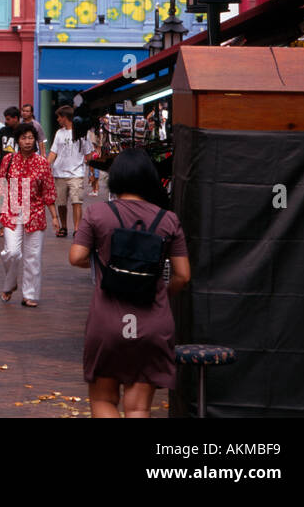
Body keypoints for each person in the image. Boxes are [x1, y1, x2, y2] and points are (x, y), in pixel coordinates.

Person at [69, 148, 190, 418]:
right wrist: (162, 293)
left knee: (104, 401)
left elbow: (76, 256)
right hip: (152, 322)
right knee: (138, 408)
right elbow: (183, 275)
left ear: (115, 179)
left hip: (107, 321)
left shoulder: (97, 214)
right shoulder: (168, 220)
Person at [0, 124, 57, 307]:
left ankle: (30, 295)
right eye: (23, 138)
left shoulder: (42, 163)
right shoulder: (9, 159)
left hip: (35, 213)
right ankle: (10, 284)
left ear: (35, 140)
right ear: (17, 140)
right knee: (12, 252)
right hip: (12, 211)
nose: (27, 142)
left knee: (33, 257)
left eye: (30, 138)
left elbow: (48, 191)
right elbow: (0, 185)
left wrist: (55, 217)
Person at [47, 105, 91, 238]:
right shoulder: (59, 133)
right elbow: (53, 152)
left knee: (76, 201)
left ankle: (77, 229)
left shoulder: (82, 133)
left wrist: (81, 163)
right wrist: (45, 166)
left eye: (59, 117)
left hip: (76, 174)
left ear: (65, 117)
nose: (58, 120)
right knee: (61, 202)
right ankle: (64, 227)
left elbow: (88, 154)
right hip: (59, 173)